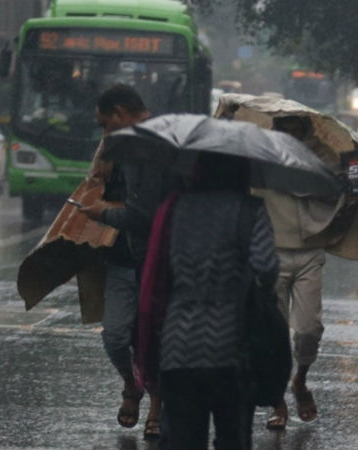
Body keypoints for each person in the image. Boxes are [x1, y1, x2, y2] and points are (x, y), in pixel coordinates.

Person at [158, 153, 279, 450]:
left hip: (178, 343)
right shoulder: (249, 210)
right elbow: (266, 266)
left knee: (184, 439)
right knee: (232, 438)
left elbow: (159, 269)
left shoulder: (176, 208)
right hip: (231, 344)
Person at [78, 84, 174, 437]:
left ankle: (157, 404)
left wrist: (104, 213)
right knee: (117, 335)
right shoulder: (115, 145)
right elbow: (93, 183)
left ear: (119, 113)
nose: (104, 132)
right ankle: (131, 385)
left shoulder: (156, 142)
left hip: (158, 257)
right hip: (119, 256)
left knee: (156, 337)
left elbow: (143, 213)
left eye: (106, 123)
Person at [261, 116, 344, 430]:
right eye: (287, 128)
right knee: (275, 335)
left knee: (308, 329)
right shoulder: (262, 153)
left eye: (298, 127)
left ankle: (301, 379)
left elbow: (336, 185)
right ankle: (277, 400)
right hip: (272, 251)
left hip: (310, 250)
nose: (292, 133)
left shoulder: (322, 154)